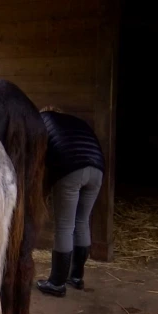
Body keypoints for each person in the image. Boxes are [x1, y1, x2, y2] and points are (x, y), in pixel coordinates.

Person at [36, 106, 105, 297]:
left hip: (72, 168)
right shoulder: (76, 122)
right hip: (97, 169)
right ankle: (76, 277)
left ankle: (57, 283)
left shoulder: (42, 120)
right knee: (82, 222)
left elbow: (41, 156)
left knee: (65, 226)